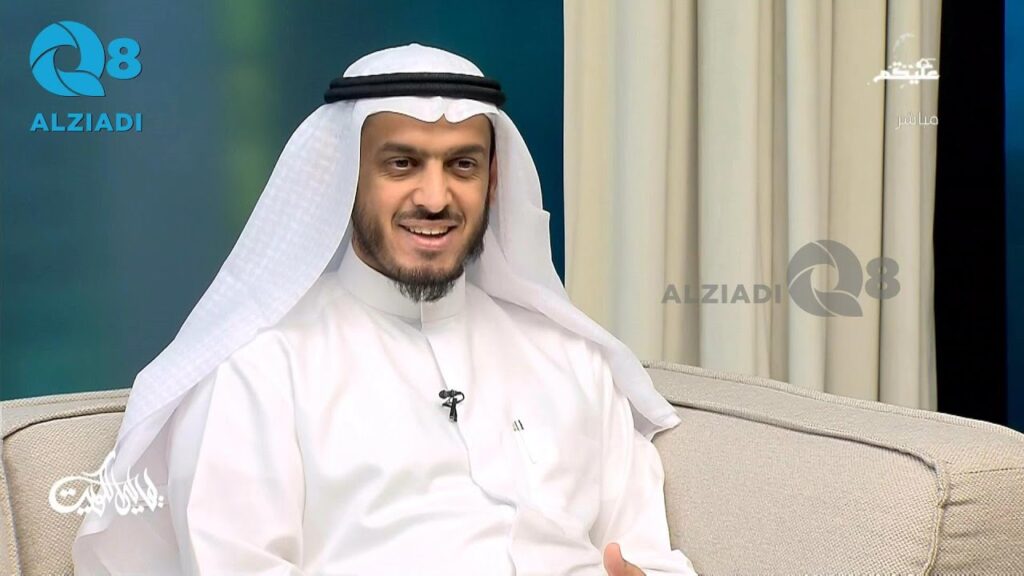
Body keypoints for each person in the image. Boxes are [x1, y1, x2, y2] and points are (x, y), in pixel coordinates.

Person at [72, 43, 697, 576]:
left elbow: (649, 552)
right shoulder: (261, 369)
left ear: (492, 182)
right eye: (402, 164)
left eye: (462, 165)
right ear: (346, 177)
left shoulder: (573, 361)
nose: (435, 196)